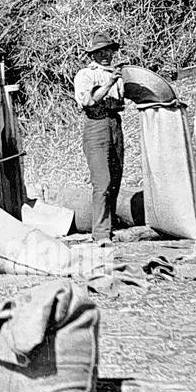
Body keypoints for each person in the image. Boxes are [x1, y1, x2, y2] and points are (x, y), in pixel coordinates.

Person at [73, 31, 125, 245]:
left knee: (115, 178)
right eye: (100, 52)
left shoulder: (118, 73)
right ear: (92, 55)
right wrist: (109, 83)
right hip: (95, 124)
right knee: (102, 181)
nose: (105, 55)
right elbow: (88, 101)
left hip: (114, 124)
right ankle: (101, 233)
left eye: (108, 51)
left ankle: (110, 226)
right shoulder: (85, 75)